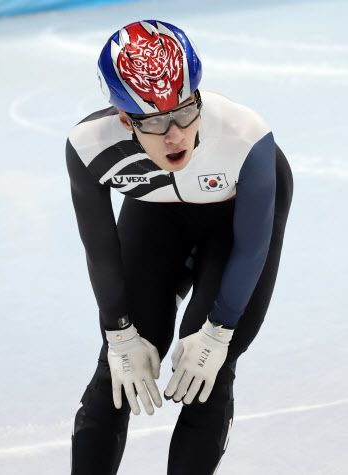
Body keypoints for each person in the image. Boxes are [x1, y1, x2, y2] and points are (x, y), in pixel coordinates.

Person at [66, 19, 293, 475]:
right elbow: (99, 248)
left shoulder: (246, 135)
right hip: (156, 218)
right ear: (125, 119)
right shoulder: (90, 146)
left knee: (208, 373)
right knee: (117, 373)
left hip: (233, 226)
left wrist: (219, 331)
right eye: (155, 121)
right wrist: (119, 334)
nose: (175, 134)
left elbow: (252, 246)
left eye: (186, 111)